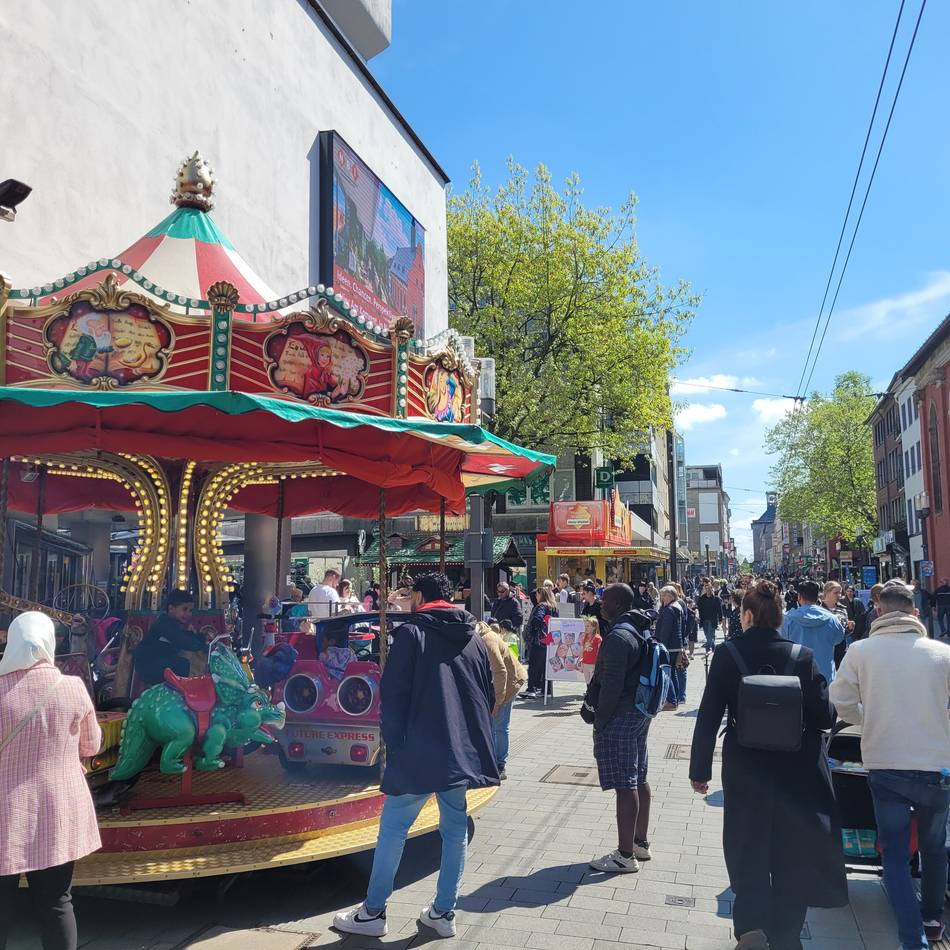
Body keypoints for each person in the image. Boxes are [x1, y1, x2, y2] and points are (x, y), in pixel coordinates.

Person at [333, 573, 498, 939]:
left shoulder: (411, 634)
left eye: (409, 595)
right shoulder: (473, 636)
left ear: (420, 596)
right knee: (455, 830)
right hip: (459, 751)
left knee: (393, 829)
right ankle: (443, 912)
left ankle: (373, 912)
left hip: (419, 748)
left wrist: (393, 745)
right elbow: (486, 693)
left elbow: (393, 695)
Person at [690, 581, 847, 950]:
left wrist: (700, 770)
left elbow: (709, 715)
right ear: (780, 619)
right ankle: (788, 934)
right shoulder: (803, 656)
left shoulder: (728, 654)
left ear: (746, 615)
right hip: (797, 770)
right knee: (792, 850)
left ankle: (750, 927)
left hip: (745, 767)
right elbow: (824, 718)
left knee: (747, 845)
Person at [830, 579, 950, 948]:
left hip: (886, 762)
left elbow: (840, 698)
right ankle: (932, 919)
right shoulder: (942, 654)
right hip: (935, 765)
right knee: (933, 848)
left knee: (894, 852)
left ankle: (911, 937)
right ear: (916, 612)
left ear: (879, 610)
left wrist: (868, 718)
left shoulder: (862, 651)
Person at [0, 612, 104, 950]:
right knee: (58, 901)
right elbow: (92, 745)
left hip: (5, 813)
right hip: (57, 812)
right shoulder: (71, 688)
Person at [588, 584, 656, 874]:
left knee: (625, 783)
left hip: (621, 715)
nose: (602, 604)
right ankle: (640, 842)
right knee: (639, 776)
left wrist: (599, 719)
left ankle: (625, 855)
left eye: (606, 600)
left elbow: (611, 684)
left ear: (617, 603)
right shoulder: (639, 628)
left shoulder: (618, 636)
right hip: (640, 711)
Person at [476, 622, 526, 781]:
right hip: (498, 682)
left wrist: (498, 702)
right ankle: (491, 760)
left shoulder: (487, 641)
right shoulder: (479, 638)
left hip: (511, 682)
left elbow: (500, 671)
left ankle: (500, 764)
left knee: (500, 725)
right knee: (492, 723)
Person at [134, 590, 205, 686]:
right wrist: (202, 645)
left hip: (160, 660)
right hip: (148, 664)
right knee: (182, 664)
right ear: (171, 609)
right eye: (184, 609)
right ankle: (180, 694)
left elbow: (187, 637)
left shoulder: (175, 625)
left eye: (190, 610)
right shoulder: (164, 624)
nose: (188, 614)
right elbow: (182, 640)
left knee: (183, 662)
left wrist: (202, 638)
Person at [781, 580, 844, 683]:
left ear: (799, 597)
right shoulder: (832, 619)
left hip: (797, 677)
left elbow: (783, 641)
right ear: (817, 597)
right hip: (825, 676)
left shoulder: (788, 619)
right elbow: (839, 639)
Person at [521, 587, 558, 698]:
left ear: (541, 595)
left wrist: (534, 629)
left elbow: (537, 619)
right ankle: (546, 690)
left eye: (537, 595)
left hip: (538, 640)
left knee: (534, 665)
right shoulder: (554, 607)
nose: (536, 597)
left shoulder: (541, 606)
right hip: (550, 640)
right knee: (545, 667)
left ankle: (531, 689)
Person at [654, 586, 685, 709]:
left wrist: (661, 646)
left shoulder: (669, 610)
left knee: (668, 673)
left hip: (669, 646)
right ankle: (675, 698)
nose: (662, 598)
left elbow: (666, 630)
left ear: (670, 596)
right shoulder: (675, 607)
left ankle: (671, 701)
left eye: (664, 595)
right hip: (675, 645)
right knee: (672, 672)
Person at [697, 582, 722, 653]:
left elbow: (719, 609)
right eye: (706, 588)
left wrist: (720, 618)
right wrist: (698, 617)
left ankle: (708, 648)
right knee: (707, 634)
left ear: (712, 589)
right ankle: (713, 646)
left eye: (709, 588)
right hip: (704, 619)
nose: (707, 590)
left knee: (710, 634)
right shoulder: (702, 598)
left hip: (712, 619)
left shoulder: (716, 599)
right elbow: (699, 608)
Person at [580, 617, 602, 684]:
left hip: (593, 664)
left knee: (593, 681)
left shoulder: (598, 638)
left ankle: (592, 693)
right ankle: (588, 692)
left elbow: (600, 652)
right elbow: (582, 649)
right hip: (585, 663)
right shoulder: (585, 637)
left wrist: (599, 663)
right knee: (587, 681)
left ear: (594, 627)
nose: (586, 628)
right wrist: (581, 659)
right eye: (585, 626)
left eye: (588, 626)